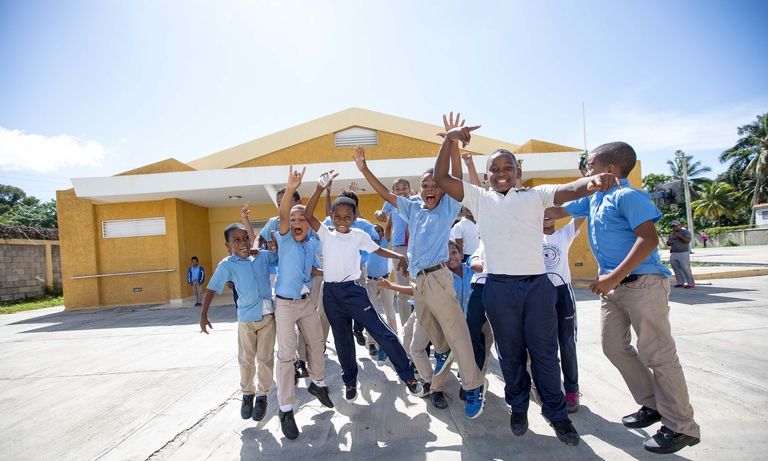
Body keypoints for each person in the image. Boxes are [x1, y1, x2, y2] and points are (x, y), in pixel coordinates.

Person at [433, 112, 619, 445]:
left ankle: (557, 415)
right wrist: (450, 138)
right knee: (510, 353)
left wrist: (590, 183)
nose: (501, 173)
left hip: (537, 287)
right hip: (499, 288)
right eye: (495, 169)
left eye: (508, 168)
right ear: (487, 175)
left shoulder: (535, 196)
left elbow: (568, 189)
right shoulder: (479, 198)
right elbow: (442, 177)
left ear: (519, 173)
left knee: (545, 353)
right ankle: (517, 407)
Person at [551, 141, 700, 454]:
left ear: (609, 169)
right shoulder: (593, 198)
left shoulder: (628, 196)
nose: (586, 171)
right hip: (614, 288)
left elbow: (649, 240)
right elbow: (556, 210)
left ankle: (681, 426)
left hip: (642, 284)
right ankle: (652, 405)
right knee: (613, 347)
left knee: (658, 354)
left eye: (590, 166)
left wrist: (613, 277)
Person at [356, 131, 487, 419]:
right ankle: (441, 352)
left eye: (434, 185)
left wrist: (450, 143)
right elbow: (385, 194)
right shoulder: (413, 207)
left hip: (439, 278)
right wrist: (365, 169)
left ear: (443, 190)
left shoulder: (449, 205)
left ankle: (475, 384)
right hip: (419, 281)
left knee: (458, 334)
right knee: (431, 330)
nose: (429, 189)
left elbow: (452, 176)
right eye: (424, 185)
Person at [302, 167, 423, 401]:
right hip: (331, 294)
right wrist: (319, 187)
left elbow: (378, 249)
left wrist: (400, 257)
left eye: (347, 217)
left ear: (355, 217)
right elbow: (308, 216)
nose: (342, 221)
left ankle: (407, 375)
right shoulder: (327, 234)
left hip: (353, 292)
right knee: (343, 341)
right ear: (332, 217)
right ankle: (350, 383)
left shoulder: (359, 235)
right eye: (337, 217)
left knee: (381, 331)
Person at [272, 168, 334, 440]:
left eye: (302, 219)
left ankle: (317, 383)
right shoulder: (284, 238)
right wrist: (290, 187)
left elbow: (314, 271)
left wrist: (336, 272)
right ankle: (286, 409)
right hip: (285, 306)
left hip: (306, 302)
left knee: (317, 342)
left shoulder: (311, 244)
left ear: (308, 224)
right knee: (286, 356)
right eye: (293, 218)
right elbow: (285, 212)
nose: (297, 221)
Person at [199, 224, 277, 425]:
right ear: (228, 245)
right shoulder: (227, 265)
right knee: (246, 359)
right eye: (236, 240)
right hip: (246, 320)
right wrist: (203, 315)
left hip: (268, 318)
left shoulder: (261, 257)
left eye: (245, 238)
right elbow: (212, 288)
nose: (242, 243)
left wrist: (272, 243)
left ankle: (262, 396)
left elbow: (280, 255)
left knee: (266, 359)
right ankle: (247, 393)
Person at [542, 213, 586, 412]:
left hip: (563, 293)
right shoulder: (530, 236)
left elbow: (582, 211)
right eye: (541, 209)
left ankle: (571, 390)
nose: (545, 214)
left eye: (549, 210)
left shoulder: (564, 233)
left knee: (567, 344)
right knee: (545, 347)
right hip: (539, 295)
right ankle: (550, 389)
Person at [374, 179, 416, 327]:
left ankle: (421, 323)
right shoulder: (391, 202)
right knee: (403, 289)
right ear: (393, 192)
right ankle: (406, 326)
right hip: (399, 249)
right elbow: (381, 212)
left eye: (405, 188)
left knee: (419, 286)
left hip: (416, 249)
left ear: (410, 190)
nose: (401, 191)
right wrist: (379, 214)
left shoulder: (415, 201)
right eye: (397, 189)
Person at [365, 223, 398, 366]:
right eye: (373, 230)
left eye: (378, 230)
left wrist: (390, 209)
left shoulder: (384, 242)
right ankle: (371, 342)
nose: (376, 232)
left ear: (382, 233)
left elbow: (390, 226)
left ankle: (394, 337)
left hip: (385, 281)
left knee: (389, 310)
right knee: (371, 312)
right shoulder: (367, 244)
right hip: (370, 282)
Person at [667, 220, 695, 288]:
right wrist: (669, 243)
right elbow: (669, 242)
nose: (674, 228)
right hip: (674, 253)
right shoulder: (671, 233)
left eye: (676, 226)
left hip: (683, 253)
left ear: (680, 225)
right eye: (673, 226)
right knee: (675, 267)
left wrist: (679, 236)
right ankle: (680, 282)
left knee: (685, 268)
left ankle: (690, 283)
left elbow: (687, 241)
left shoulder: (686, 232)